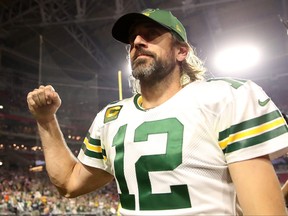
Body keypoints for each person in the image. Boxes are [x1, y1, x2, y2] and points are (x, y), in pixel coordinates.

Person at [26, 8, 288, 215]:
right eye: (132, 40)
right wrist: (46, 119)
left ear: (181, 51)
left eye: (150, 34)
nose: (138, 42)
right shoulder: (110, 118)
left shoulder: (225, 97)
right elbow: (69, 184)